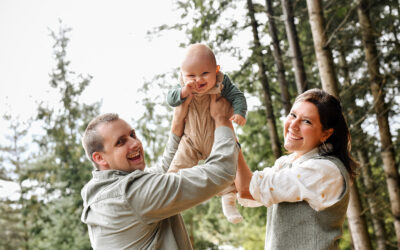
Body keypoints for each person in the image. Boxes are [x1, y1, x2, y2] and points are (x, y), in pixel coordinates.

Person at [80, 95, 240, 250]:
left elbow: (164, 172)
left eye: (132, 135)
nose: (135, 143)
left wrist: (177, 122)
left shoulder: (103, 192)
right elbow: (221, 172)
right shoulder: (131, 195)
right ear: (100, 158)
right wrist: (221, 119)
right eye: (120, 142)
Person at [235, 88, 358, 249]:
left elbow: (247, 188)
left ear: (325, 134)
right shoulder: (287, 163)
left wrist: (226, 132)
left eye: (306, 121)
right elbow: (247, 189)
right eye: (293, 115)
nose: (293, 125)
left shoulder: (324, 170)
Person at [166, 43, 247, 223]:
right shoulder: (182, 86)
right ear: (182, 74)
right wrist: (182, 92)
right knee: (175, 171)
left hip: (215, 138)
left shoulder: (222, 83)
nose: (198, 80)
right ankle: (168, 201)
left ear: (216, 70)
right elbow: (170, 99)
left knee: (226, 173)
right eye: (191, 75)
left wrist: (240, 112)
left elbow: (238, 96)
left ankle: (229, 203)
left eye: (205, 73)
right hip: (190, 140)